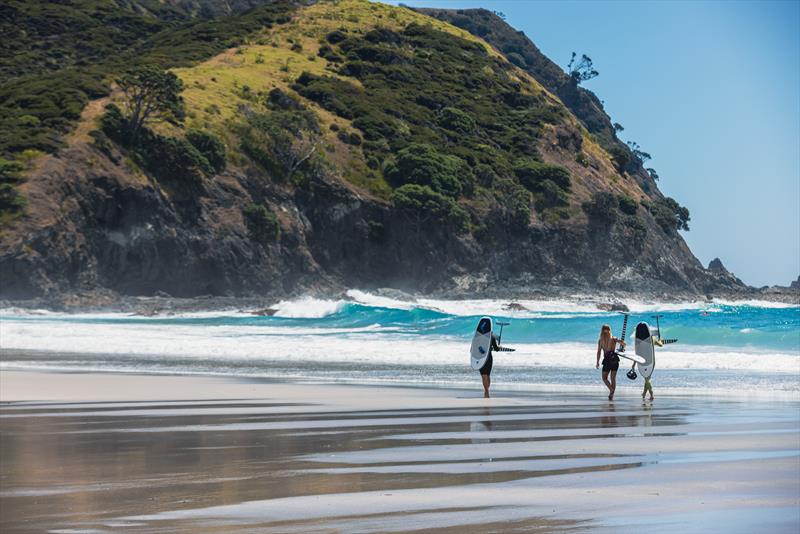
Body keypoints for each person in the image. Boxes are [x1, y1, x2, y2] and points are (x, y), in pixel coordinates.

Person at [596, 324, 625, 400]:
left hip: (607, 361)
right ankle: (611, 394)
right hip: (615, 359)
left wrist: (597, 362)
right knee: (613, 378)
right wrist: (622, 347)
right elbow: (624, 344)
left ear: (602, 331)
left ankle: (611, 390)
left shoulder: (600, 341)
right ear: (610, 331)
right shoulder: (613, 339)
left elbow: (598, 352)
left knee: (604, 378)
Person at [480, 332, 500, 398]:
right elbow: (496, 349)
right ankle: (487, 391)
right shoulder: (492, 337)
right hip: (489, 358)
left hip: (481, 358)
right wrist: (498, 347)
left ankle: (486, 391)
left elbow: (473, 349)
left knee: (483, 376)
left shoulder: (478, 337)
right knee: (487, 375)